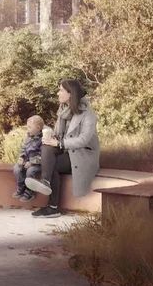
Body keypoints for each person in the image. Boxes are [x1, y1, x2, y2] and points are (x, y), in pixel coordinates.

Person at [26, 78, 100, 218]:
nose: (57, 93)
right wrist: (50, 138)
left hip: (82, 155)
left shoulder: (88, 114)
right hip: (67, 152)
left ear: (70, 93)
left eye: (60, 90)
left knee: (51, 163)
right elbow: (58, 135)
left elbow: (84, 140)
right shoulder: (63, 111)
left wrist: (60, 144)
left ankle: (52, 207)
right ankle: (45, 182)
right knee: (47, 147)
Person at [12, 115, 46, 201]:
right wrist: (22, 157)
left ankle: (30, 192)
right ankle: (21, 187)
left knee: (31, 171)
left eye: (30, 127)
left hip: (37, 163)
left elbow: (43, 156)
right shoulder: (28, 138)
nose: (28, 129)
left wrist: (32, 162)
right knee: (17, 168)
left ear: (38, 128)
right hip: (26, 161)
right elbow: (23, 149)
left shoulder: (42, 140)